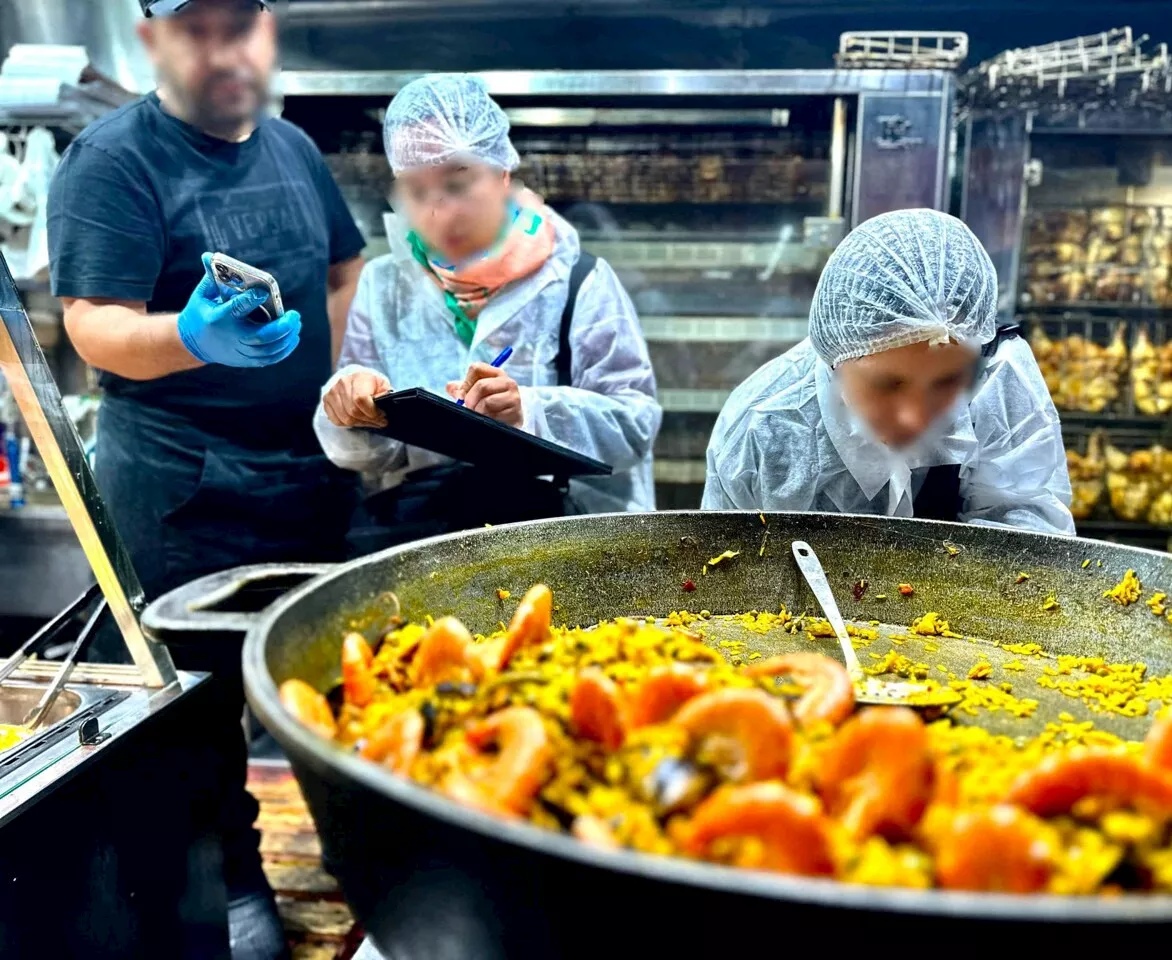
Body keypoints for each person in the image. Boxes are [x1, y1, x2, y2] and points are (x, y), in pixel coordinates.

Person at [45, 1, 365, 956]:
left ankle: (372, 874)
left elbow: (344, 266)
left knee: (332, 685)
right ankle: (229, 888)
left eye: (241, 21)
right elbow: (92, 322)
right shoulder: (111, 160)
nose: (223, 46)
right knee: (193, 719)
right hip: (180, 484)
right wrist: (192, 336)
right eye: (197, 25)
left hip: (307, 472)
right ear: (154, 38)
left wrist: (325, 376)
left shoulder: (293, 148)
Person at [315, 74, 660, 550]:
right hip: (424, 542)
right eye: (416, 191)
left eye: (458, 184)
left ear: (501, 174)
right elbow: (368, 456)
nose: (440, 212)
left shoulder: (580, 280)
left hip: (565, 544)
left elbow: (634, 423)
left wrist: (530, 412)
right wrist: (351, 408)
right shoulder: (384, 286)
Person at [702, 209, 1073, 534]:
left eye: (946, 383)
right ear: (836, 363)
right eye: (886, 385)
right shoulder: (762, 428)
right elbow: (733, 579)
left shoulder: (996, 378)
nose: (913, 418)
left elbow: (1028, 549)